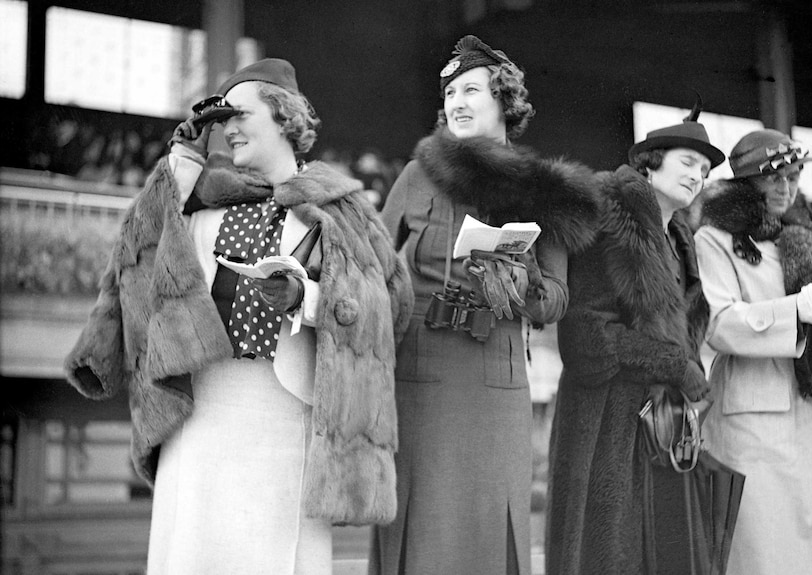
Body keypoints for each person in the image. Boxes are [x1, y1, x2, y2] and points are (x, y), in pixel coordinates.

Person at [64, 58, 413, 574]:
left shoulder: (341, 210)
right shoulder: (200, 204)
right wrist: (181, 164)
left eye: (240, 114)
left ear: (284, 118)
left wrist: (307, 299)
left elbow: (389, 308)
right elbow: (133, 265)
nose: (228, 128)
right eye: (221, 119)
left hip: (285, 411)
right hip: (203, 408)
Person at [368, 35, 600, 575]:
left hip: (495, 373)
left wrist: (516, 282)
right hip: (419, 371)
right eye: (449, 92)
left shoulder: (543, 188)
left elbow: (557, 300)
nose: (457, 101)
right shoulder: (417, 174)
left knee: (488, 537)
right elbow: (372, 263)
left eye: (471, 89)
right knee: (419, 531)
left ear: (505, 100)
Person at [545, 104, 725, 574]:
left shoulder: (678, 239)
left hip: (659, 426)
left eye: (705, 171)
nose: (697, 177)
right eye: (688, 162)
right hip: (605, 423)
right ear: (651, 160)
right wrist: (676, 366)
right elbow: (586, 335)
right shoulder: (611, 215)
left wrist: (684, 370)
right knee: (608, 555)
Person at [694, 129, 812, 574]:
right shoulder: (715, 238)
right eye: (774, 178)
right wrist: (800, 309)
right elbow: (719, 324)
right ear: (747, 182)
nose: (786, 187)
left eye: (794, 175)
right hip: (752, 415)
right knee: (762, 550)